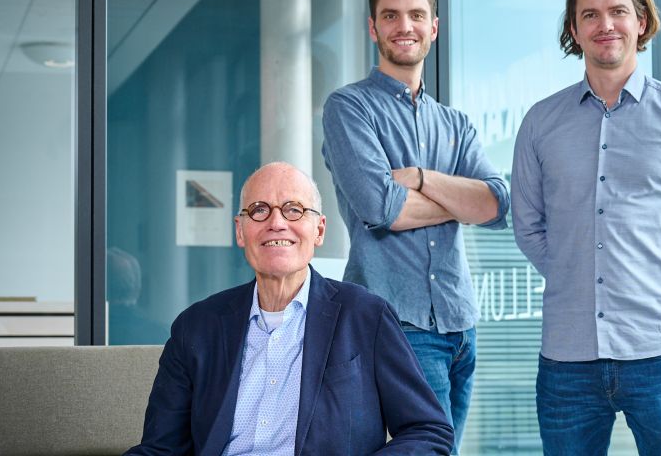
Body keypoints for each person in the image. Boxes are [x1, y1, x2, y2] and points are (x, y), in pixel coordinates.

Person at [511, 0, 661, 456]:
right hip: (566, 357)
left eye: (617, 11)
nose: (604, 25)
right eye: (589, 14)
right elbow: (528, 225)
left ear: (641, 22)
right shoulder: (540, 123)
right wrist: (577, 271)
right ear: (574, 30)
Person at [126, 162, 454, 456]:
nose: (277, 223)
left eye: (294, 209)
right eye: (258, 210)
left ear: (319, 230)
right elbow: (161, 448)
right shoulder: (196, 327)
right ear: (241, 231)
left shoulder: (367, 316)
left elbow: (427, 431)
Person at [322, 0, 510, 451]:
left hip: (460, 322)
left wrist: (423, 179)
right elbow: (384, 208)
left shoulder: (455, 123)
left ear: (434, 27)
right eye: (391, 15)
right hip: (397, 322)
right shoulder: (349, 108)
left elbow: (495, 203)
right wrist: (458, 202)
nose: (404, 25)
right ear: (373, 28)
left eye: (416, 15)